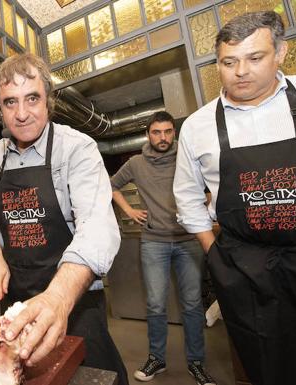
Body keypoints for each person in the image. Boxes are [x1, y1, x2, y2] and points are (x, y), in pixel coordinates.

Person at [0, 53, 128, 385]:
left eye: (32, 98)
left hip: (73, 298)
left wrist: (59, 298)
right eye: (10, 102)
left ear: (49, 100)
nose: (21, 113)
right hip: (17, 296)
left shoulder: (77, 149)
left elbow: (98, 227)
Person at [173, 11, 296, 385]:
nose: (241, 72)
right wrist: (214, 254)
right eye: (229, 62)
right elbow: (186, 199)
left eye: (255, 58)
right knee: (265, 364)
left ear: (280, 52)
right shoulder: (198, 126)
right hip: (245, 268)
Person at [111, 111, 215, 385]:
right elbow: (110, 186)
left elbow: (212, 185)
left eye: (168, 131)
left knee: (192, 305)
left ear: (174, 133)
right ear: (148, 134)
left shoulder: (187, 157)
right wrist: (130, 211)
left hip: (189, 240)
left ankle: (197, 363)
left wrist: (204, 205)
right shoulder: (135, 163)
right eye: (157, 132)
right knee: (156, 304)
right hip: (154, 242)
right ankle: (157, 358)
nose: (163, 137)